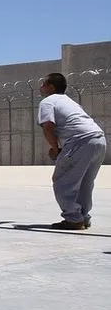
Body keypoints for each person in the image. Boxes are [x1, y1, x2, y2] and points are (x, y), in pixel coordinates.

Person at [37, 72, 107, 230]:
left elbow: (48, 127)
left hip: (80, 142)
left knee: (63, 181)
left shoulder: (48, 102)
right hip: (98, 140)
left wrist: (56, 149)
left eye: (43, 84)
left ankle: (74, 218)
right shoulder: (69, 102)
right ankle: (83, 216)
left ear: (51, 87)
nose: (41, 87)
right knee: (85, 183)